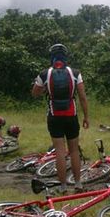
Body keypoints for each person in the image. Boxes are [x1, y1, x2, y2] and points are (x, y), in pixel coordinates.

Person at [32, 44, 89, 194]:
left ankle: (63, 187)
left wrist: (44, 88)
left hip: (54, 117)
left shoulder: (44, 74)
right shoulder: (75, 73)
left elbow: (35, 93)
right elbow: (82, 97)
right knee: (74, 150)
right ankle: (78, 184)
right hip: (72, 116)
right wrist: (86, 116)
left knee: (59, 152)